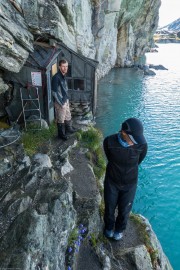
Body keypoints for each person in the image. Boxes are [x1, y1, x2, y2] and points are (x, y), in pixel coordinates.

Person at [103, 117, 148, 240]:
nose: (136, 142)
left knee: (124, 210)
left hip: (130, 183)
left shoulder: (142, 145)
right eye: (133, 139)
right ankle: (108, 227)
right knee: (109, 207)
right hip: (112, 181)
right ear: (123, 133)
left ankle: (119, 230)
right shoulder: (109, 141)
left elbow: (139, 160)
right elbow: (109, 157)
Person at [51, 59, 76, 140]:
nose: (65, 68)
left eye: (66, 66)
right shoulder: (56, 77)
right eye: (63, 66)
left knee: (68, 116)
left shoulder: (63, 75)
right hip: (60, 102)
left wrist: (66, 100)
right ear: (59, 67)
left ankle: (69, 129)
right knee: (61, 119)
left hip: (65, 100)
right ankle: (61, 135)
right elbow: (54, 92)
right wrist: (62, 103)